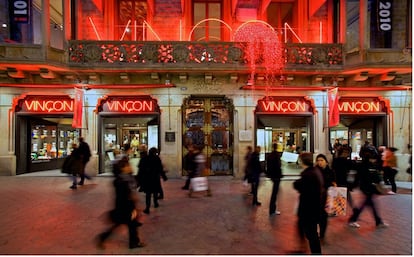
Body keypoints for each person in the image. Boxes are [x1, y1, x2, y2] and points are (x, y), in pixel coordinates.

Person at [96, 151, 145, 249]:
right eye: (127, 166)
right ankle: (133, 243)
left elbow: (134, 186)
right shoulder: (121, 181)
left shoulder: (127, 178)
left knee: (123, 225)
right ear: (123, 169)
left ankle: (103, 238)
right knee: (131, 225)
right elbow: (125, 196)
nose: (130, 167)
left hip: (124, 207)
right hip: (125, 207)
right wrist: (133, 208)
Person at [348, 147, 388, 229]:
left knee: (369, 203)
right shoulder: (364, 165)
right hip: (367, 187)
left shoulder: (367, 164)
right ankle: (354, 219)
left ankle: (377, 221)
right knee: (368, 203)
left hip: (368, 187)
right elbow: (359, 176)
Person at [293, 152, 324, 254]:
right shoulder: (314, 171)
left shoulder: (308, 174)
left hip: (309, 210)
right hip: (312, 209)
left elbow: (300, 185)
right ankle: (302, 249)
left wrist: (297, 183)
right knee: (305, 230)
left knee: (311, 234)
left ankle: (315, 253)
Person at [315, 154, 336, 242]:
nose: (319, 162)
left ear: (326, 162)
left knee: (323, 216)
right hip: (316, 197)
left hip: (326, 197)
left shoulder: (330, 171)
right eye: (318, 160)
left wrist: (333, 184)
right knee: (315, 215)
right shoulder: (315, 171)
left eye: (321, 160)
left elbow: (333, 182)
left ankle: (322, 233)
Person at [137, 147, 164, 214]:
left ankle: (147, 208)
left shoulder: (145, 158)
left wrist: (139, 178)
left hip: (147, 179)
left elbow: (140, 169)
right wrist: (164, 176)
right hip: (155, 178)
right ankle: (155, 203)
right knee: (155, 192)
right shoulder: (157, 158)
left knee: (148, 194)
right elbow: (160, 168)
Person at [266, 143, 283, 215]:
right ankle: (272, 210)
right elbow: (278, 165)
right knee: (274, 193)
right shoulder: (276, 155)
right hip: (276, 176)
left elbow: (268, 165)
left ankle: (272, 209)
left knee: (274, 193)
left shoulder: (270, 155)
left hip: (272, 175)